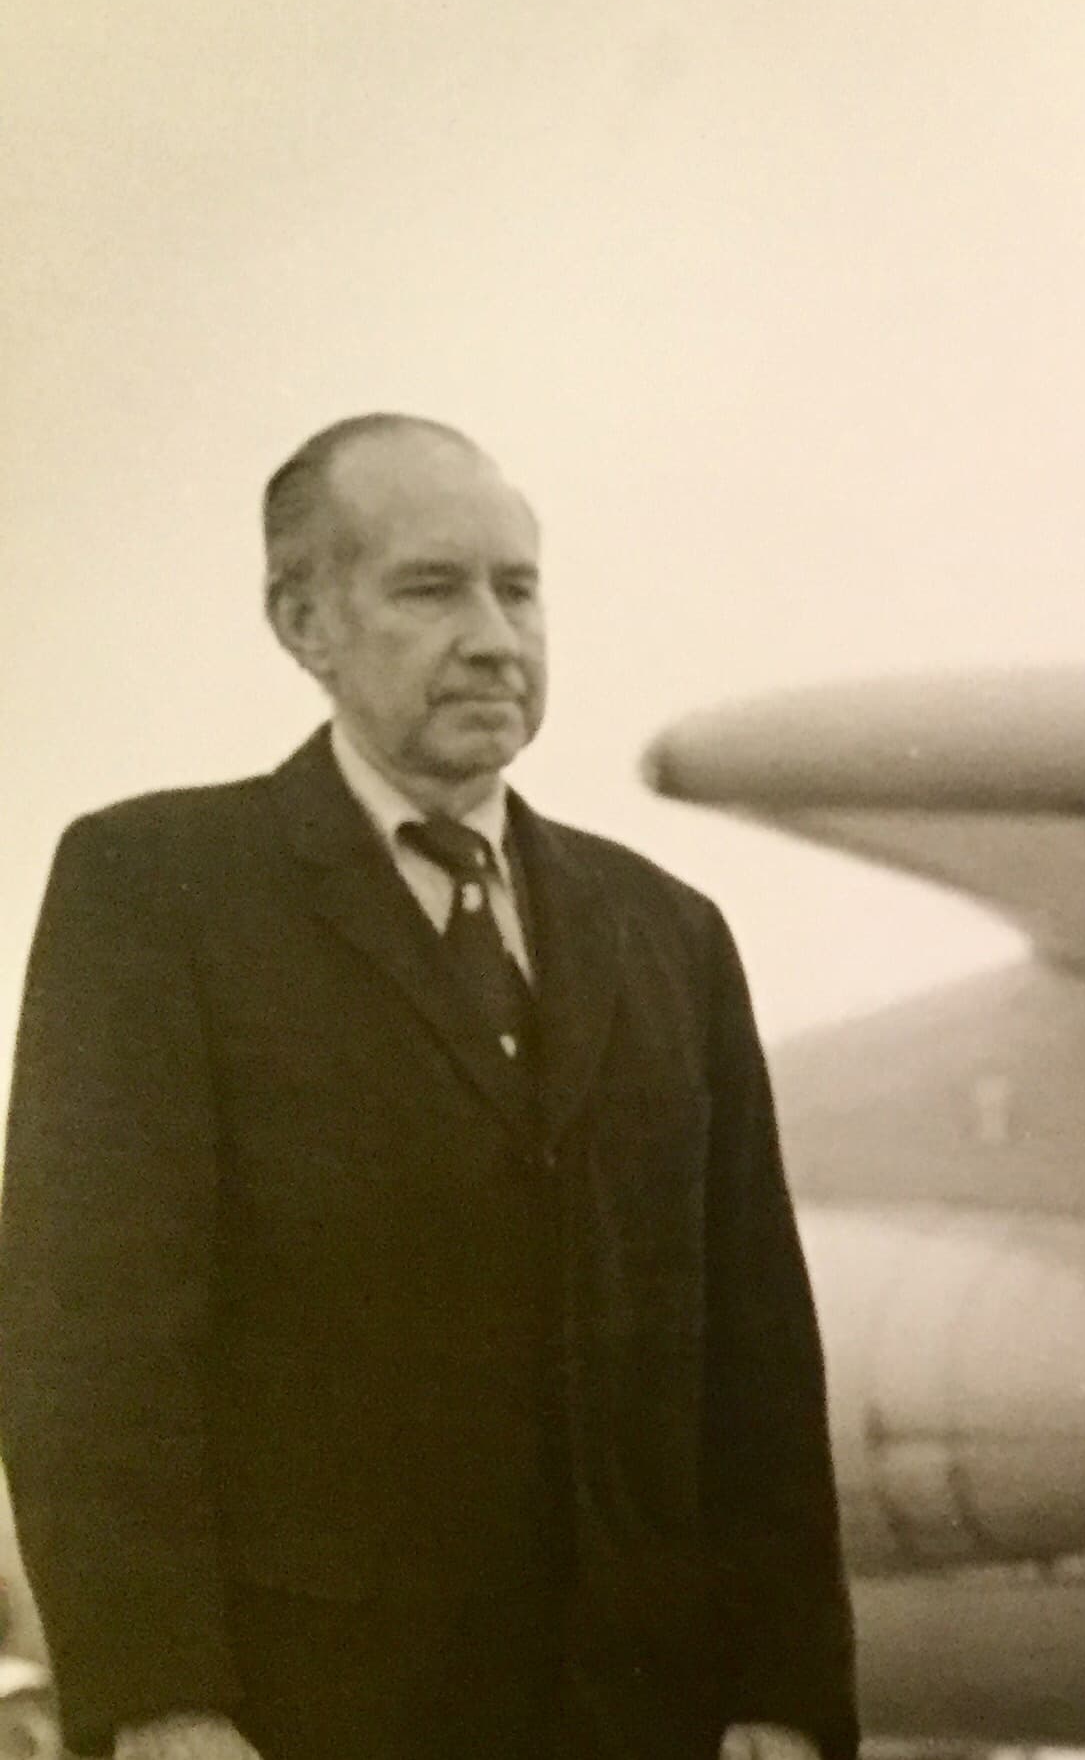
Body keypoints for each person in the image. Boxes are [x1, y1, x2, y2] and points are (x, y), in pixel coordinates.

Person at [0, 416, 856, 1760]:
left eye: (518, 588)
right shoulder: (156, 892)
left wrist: (786, 1695)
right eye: (429, 588)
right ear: (304, 620)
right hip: (303, 1722)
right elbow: (90, 1347)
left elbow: (753, 1358)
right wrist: (162, 1701)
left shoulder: (667, 934)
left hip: (635, 1720)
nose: (495, 637)